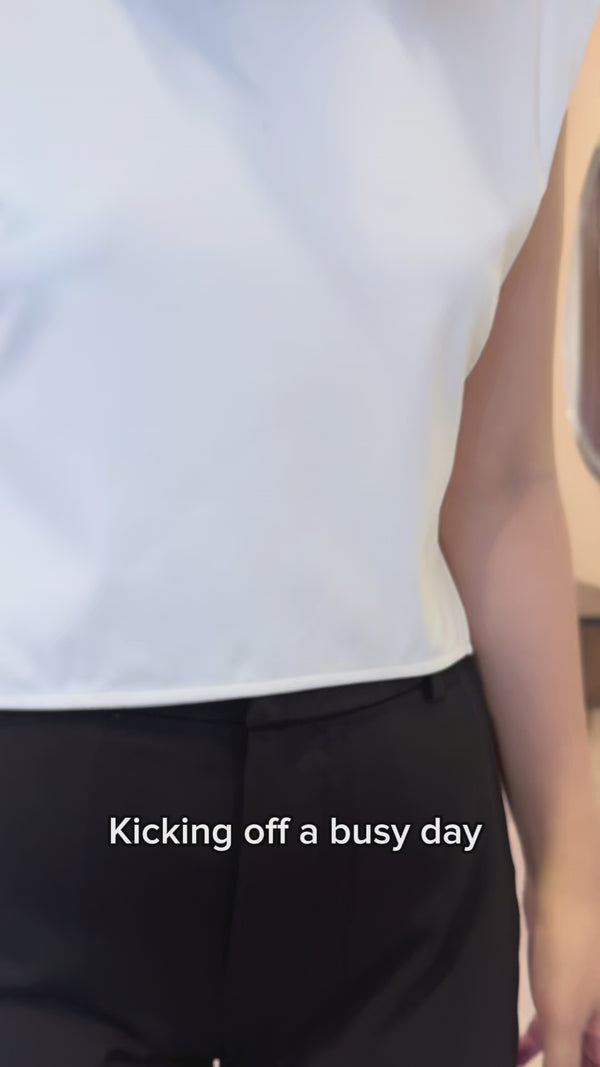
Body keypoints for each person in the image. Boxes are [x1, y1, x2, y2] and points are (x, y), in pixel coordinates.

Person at [1, 3, 600, 1065]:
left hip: (398, 831)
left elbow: (503, 484)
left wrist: (570, 871)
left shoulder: (521, 24)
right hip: (45, 806)